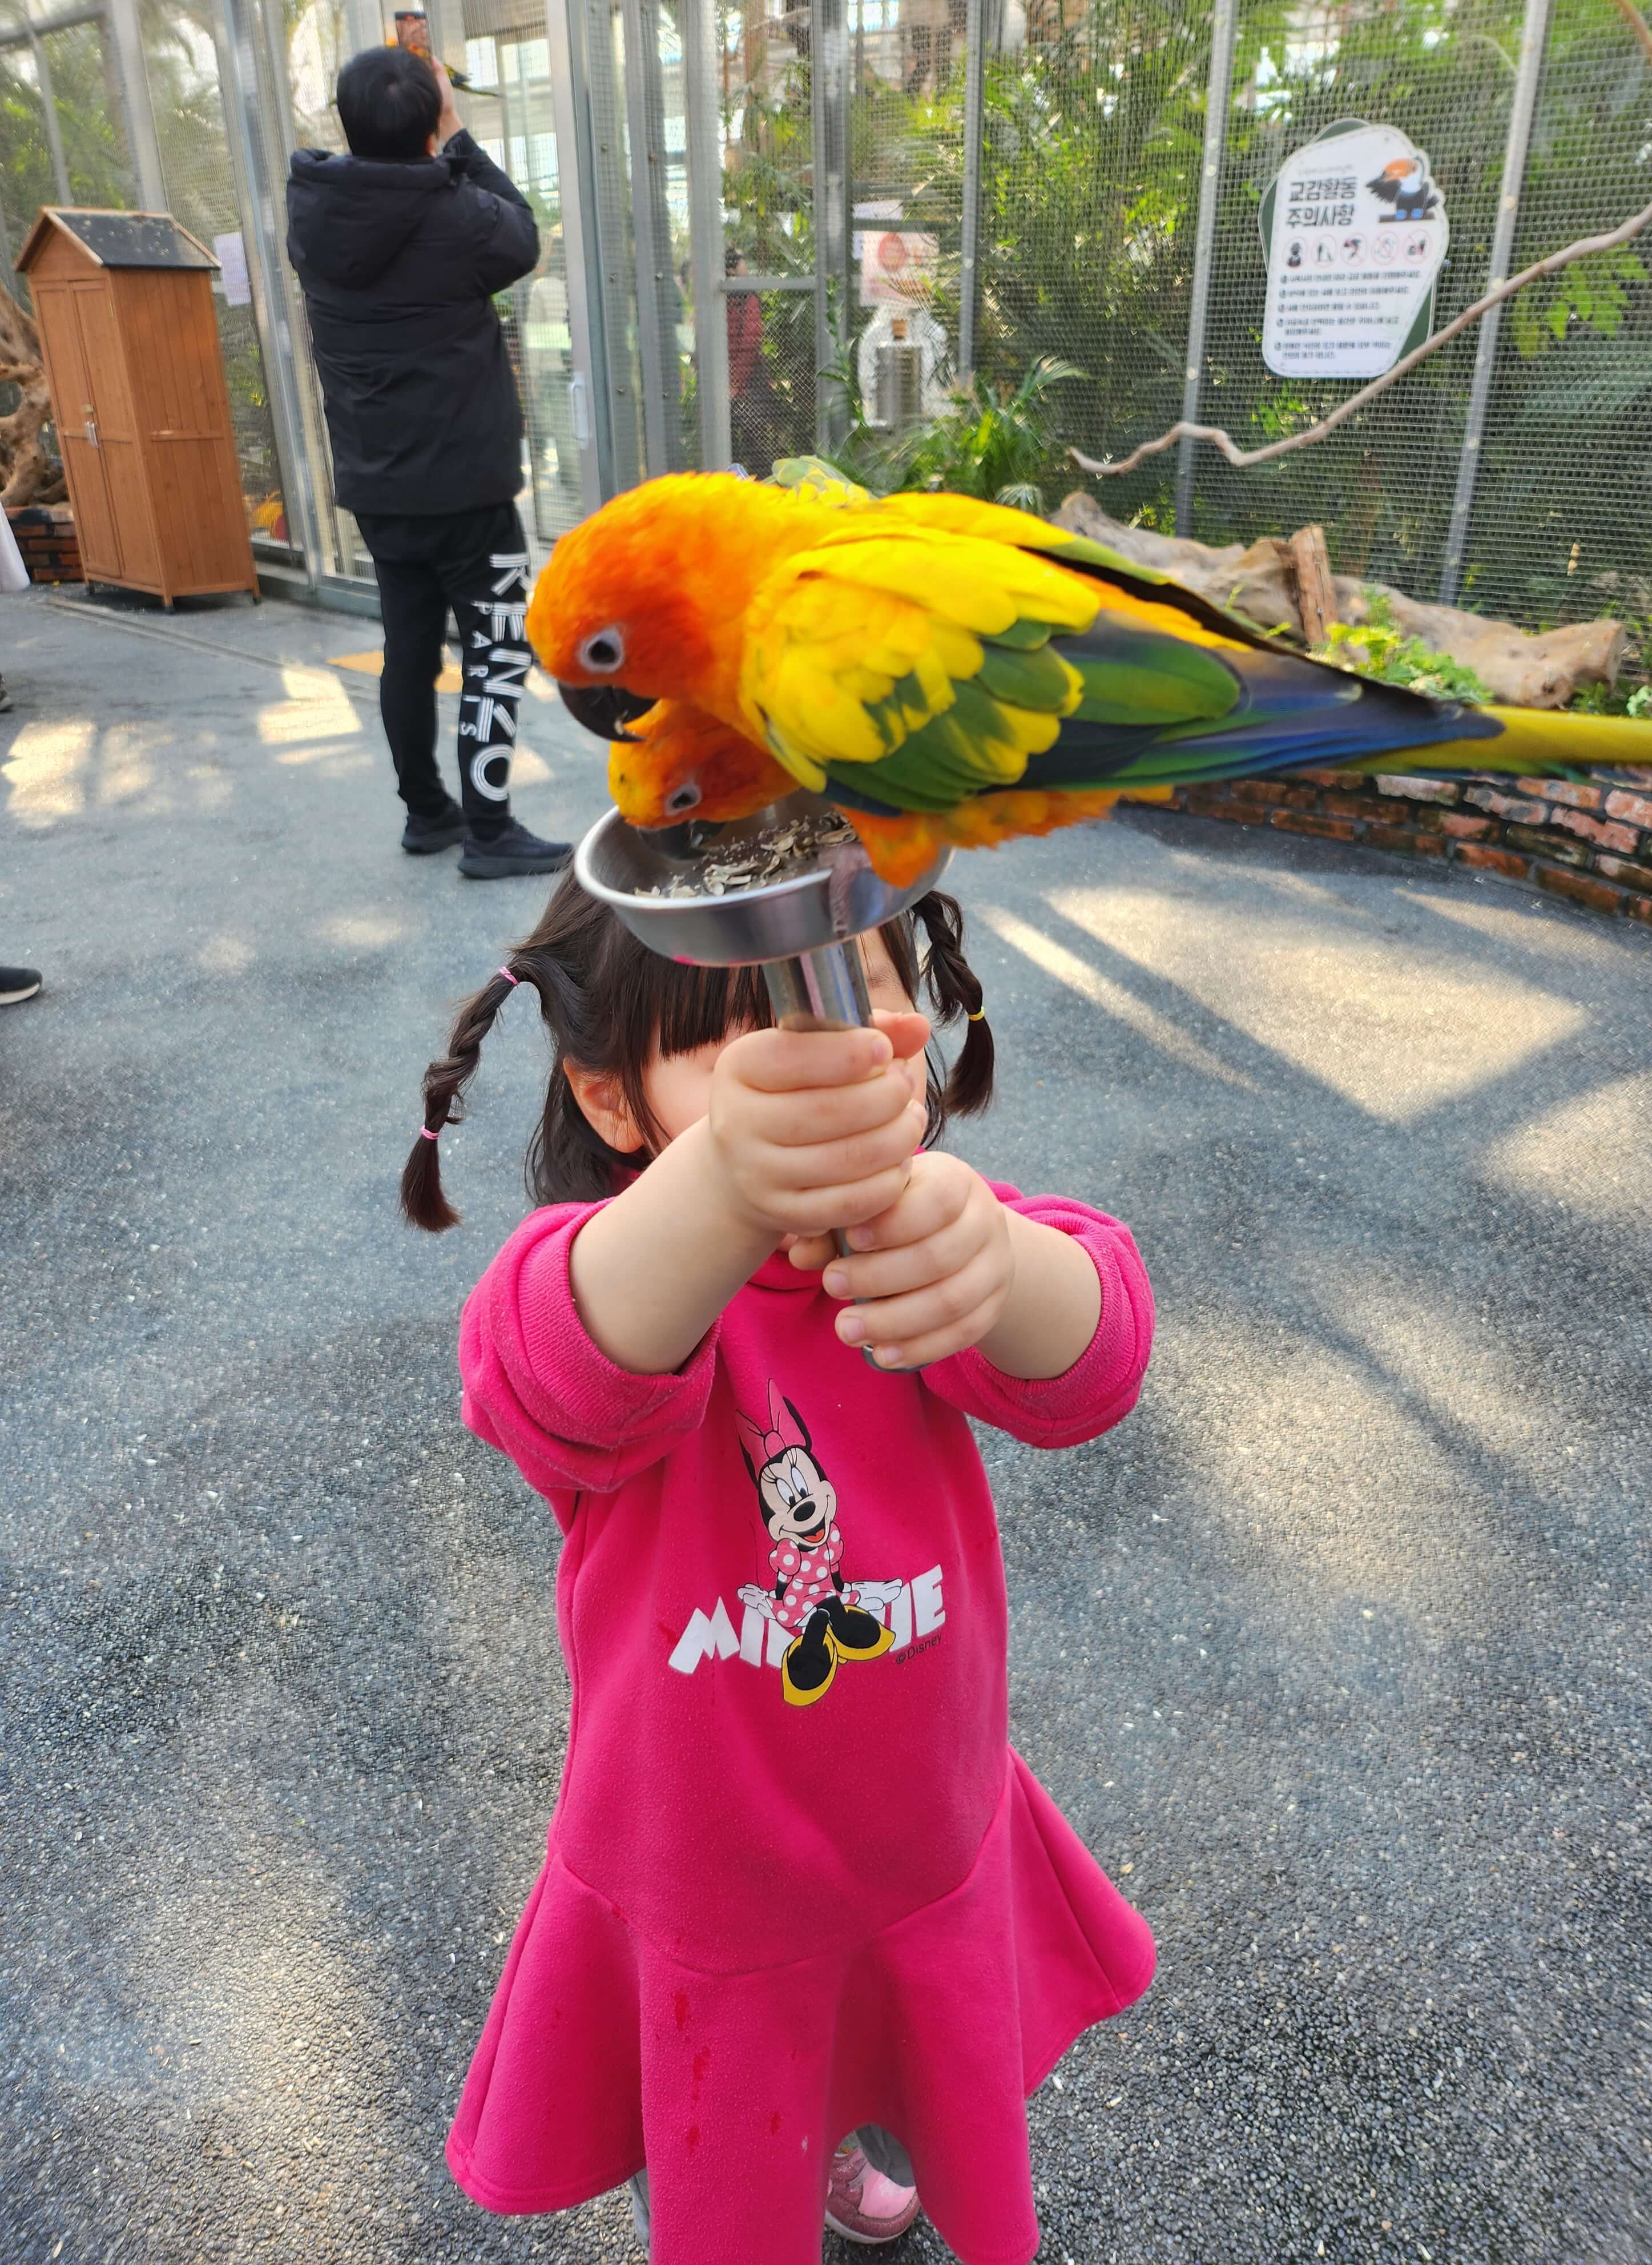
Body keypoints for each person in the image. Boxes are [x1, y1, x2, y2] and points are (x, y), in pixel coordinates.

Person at [401, 872, 1156, 2262]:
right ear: (614, 1099)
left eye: (857, 992)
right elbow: (544, 1367)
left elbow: (1097, 1359)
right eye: (745, 1032)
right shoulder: (625, 1287)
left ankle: (860, 2136)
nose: (823, 1060)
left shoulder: (918, 1251)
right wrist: (730, 1183)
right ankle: (782, 2166)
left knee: (899, 2055)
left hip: (925, 1825)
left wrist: (995, 1257)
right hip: (709, 1887)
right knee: (723, 2134)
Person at [287, 46, 570, 879]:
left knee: (408, 646)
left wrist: (429, 139)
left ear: (346, 121)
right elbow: (522, 236)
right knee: (496, 643)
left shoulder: (312, 210)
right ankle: (489, 829)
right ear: (429, 118)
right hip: (469, 486)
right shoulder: (457, 217)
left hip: (379, 484)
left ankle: (428, 814)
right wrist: (459, 137)